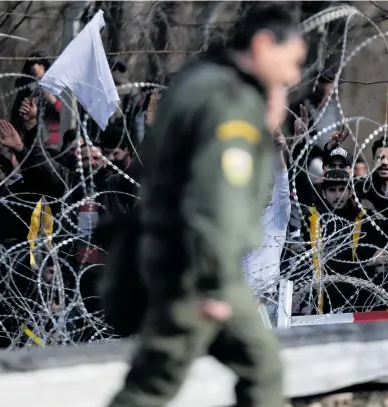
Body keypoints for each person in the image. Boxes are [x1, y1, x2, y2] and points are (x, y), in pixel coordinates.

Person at [104, 3, 306, 407]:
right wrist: (212, 281)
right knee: (157, 383)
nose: (294, 76)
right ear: (265, 45)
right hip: (197, 270)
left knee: (257, 367)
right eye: (293, 61)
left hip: (180, 257)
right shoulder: (230, 103)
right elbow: (217, 195)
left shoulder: (201, 82)